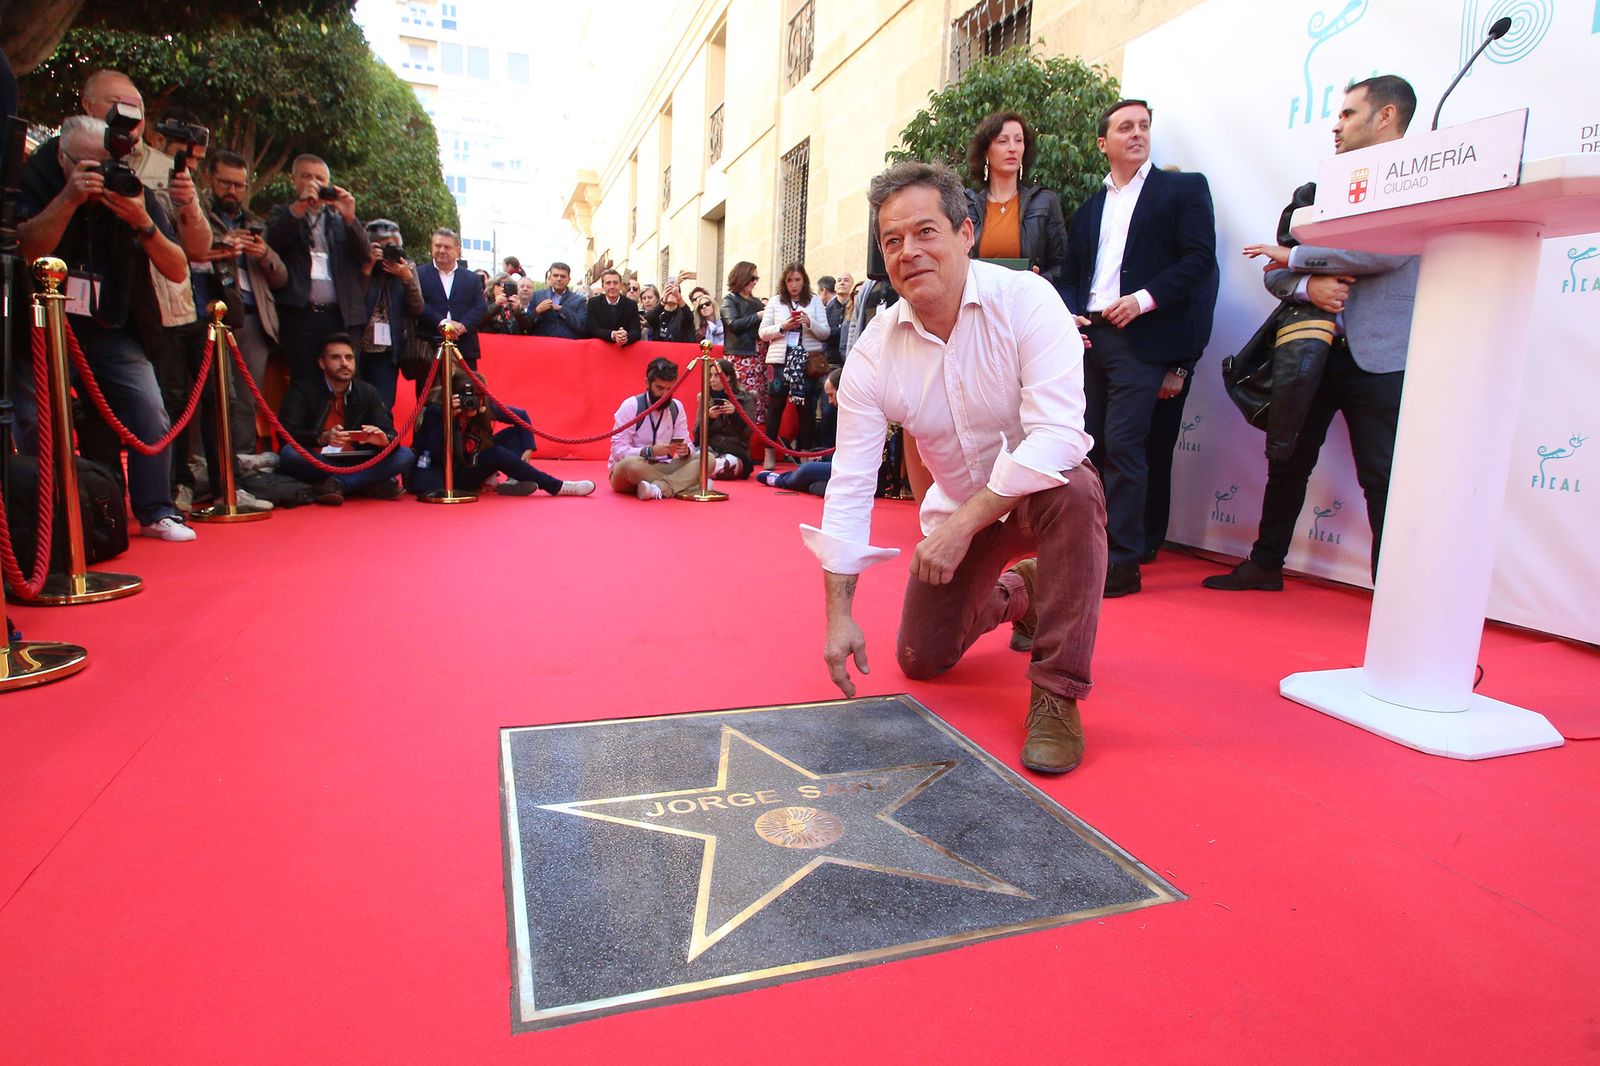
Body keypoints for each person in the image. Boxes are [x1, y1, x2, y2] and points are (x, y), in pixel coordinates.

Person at [806, 161, 1107, 775]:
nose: (909, 252)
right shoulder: (875, 352)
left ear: (966, 232)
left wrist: (962, 524)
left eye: (925, 232)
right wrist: (839, 617)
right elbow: (852, 484)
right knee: (923, 657)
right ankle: (1024, 592)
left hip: (1037, 494)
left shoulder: (1026, 301)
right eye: (893, 240)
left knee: (1076, 487)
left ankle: (1056, 692)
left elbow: (1058, 435)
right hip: (960, 514)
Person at [1203, 75, 1421, 593]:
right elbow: (1273, 272)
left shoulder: (1416, 181)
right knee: (1287, 460)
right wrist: (1310, 286)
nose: (1336, 124)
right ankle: (1265, 564)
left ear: (1385, 116)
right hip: (1310, 351)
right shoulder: (1313, 192)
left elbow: (1391, 253)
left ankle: (1394, 593)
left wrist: (1297, 258)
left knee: (1383, 477)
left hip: (1380, 354)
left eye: (1348, 113)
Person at [18, 114, 197, 542]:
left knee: (151, 411)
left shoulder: (126, 182)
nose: (100, 174)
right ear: (64, 159)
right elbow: (26, 246)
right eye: (87, 165)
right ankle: (48, 513)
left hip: (112, 324)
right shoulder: (38, 176)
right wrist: (69, 199)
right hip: (45, 325)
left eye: (104, 163)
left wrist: (142, 220)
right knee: (32, 418)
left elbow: (176, 268)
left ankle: (156, 509)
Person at [1063, 98, 1217, 598]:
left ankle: (1123, 563)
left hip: (1143, 338)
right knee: (1092, 446)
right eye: (1125, 127)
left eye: (1144, 126)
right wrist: (1071, 313)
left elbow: (1199, 262)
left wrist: (1144, 300)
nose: (1137, 134)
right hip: (1093, 337)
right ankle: (1090, 548)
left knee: (1126, 446)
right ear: (1103, 143)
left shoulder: (1183, 189)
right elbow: (1072, 276)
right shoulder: (1089, 208)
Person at [186, 147, 288, 460]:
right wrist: (221, 246)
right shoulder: (195, 212)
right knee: (204, 395)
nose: (233, 191)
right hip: (206, 316)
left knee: (246, 398)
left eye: (239, 185)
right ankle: (201, 466)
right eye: (225, 183)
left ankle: (242, 463)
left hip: (252, 319)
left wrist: (263, 254)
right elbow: (188, 254)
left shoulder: (256, 223)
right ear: (209, 178)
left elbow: (281, 278)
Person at [266, 154, 369, 386]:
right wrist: (300, 207)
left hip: (340, 315)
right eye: (307, 177)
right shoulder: (284, 213)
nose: (314, 183)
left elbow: (365, 255)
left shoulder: (340, 218)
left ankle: (342, 424)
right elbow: (272, 241)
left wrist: (351, 218)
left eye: (320, 178)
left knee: (345, 382)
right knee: (303, 382)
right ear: (294, 180)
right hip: (301, 315)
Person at [275, 333, 413, 505]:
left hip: (359, 459)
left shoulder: (367, 391)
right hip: (319, 459)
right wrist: (321, 437)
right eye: (336, 357)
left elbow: (391, 434)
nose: (344, 363)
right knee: (290, 455)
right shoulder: (302, 390)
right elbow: (286, 435)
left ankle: (338, 484)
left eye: (349, 357)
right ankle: (363, 483)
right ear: (322, 363)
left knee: (405, 455)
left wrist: (383, 440)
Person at [410, 379, 594, 498]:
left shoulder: (484, 406)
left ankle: (514, 478)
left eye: (476, 398)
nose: (471, 403)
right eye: (466, 398)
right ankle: (556, 485)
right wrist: (449, 419)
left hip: (472, 460)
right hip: (450, 473)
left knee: (516, 434)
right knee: (495, 453)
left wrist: (528, 448)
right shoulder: (436, 412)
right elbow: (433, 453)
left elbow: (520, 416)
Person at [608, 356, 736, 499]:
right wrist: (650, 451)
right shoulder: (631, 406)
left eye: (670, 389)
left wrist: (685, 451)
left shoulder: (676, 407)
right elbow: (617, 451)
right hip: (635, 468)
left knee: (708, 459)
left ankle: (660, 488)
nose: (664, 394)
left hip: (666, 465)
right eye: (659, 388)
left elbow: (687, 444)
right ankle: (688, 484)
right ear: (647, 383)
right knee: (629, 465)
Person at [963, 111, 1068, 287]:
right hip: (977, 303)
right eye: (1003, 141)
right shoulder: (966, 204)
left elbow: (1063, 265)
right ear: (986, 151)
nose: (1012, 148)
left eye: (1018, 140)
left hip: (1027, 302)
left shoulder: (1044, 201)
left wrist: (1041, 279)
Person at [758, 262, 830, 465]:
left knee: (805, 408)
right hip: (780, 360)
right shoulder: (775, 302)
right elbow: (763, 333)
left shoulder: (815, 301)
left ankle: (805, 453)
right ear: (784, 282)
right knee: (776, 406)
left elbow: (825, 332)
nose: (794, 284)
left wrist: (809, 322)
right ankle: (770, 452)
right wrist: (783, 327)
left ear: (804, 281)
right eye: (790, 280)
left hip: (806, 361)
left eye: (798, 280)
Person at [357, 219, 424, 410]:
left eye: (395, 246)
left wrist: (406, 279)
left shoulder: (407, 267)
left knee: (382, 406)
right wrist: (368, 268)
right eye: (385, 247)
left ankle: (381, 438)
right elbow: (353, 302)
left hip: (387, 352)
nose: (390, 252)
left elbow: (418, 307)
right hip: (357, 347)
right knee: (355, 405)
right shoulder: (361, 263)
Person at [415, 228, 490, 372]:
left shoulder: (472, 278)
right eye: (438, 246)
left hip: (464, 347)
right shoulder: (419, 274)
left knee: (465, 392)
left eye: (447, 247)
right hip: (429, 346)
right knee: (431, 394)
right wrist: (443, 323)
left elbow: (480, 306)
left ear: (457, 250)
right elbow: (418, 304)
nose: (442, 250)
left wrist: (462, 326)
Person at [756, 368, 840, 495]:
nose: (830, 401)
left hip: (858, 468)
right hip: (847, 460)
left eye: (831, 395)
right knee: (816, 457)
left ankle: (781, 480)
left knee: (809, 469)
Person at [694, 358, 757, 480]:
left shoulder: (746, 398)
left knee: (725, 465)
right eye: (710, 376)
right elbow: (697, 435)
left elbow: (748, 432)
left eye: (716, 376)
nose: (712, 380)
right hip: (710, 450)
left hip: (734, 451)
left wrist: (735, 415)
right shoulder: (705, 398)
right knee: (687, 456)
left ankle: (700, 472)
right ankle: (703, 470)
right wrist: (709, 418)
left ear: (728, 377)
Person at [721, 261, 766, 425]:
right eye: (752, 277)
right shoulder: (730, 300)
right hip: (740, 357)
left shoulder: (757, 302)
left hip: (758, 357)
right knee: (740, 397)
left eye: (756, 278)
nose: (754, 281)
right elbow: (733, 324)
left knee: (757, 399)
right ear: (742, 277)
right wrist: (758, 316)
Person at [527, 261, 588, 339]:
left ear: (569, 279)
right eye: (555, 275)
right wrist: (537, 311)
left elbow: (582, 327)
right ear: (550, 278)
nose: (559, 279)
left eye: (563, 276)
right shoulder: (537, 296)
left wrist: (561, 309)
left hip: (569, 346)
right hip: (543, 346)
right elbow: (527, 326)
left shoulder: (579, 300)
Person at [586, 268, 641, 346]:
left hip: (623, 350)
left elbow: (636, 332)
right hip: (600, 349)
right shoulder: (593, 303)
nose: (612, 286)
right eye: (608, 283)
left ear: (621, 285)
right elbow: (592, 329)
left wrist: (625, 336)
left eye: (615, 283)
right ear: (603, 286)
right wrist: (613, 334)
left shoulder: (631, 305)